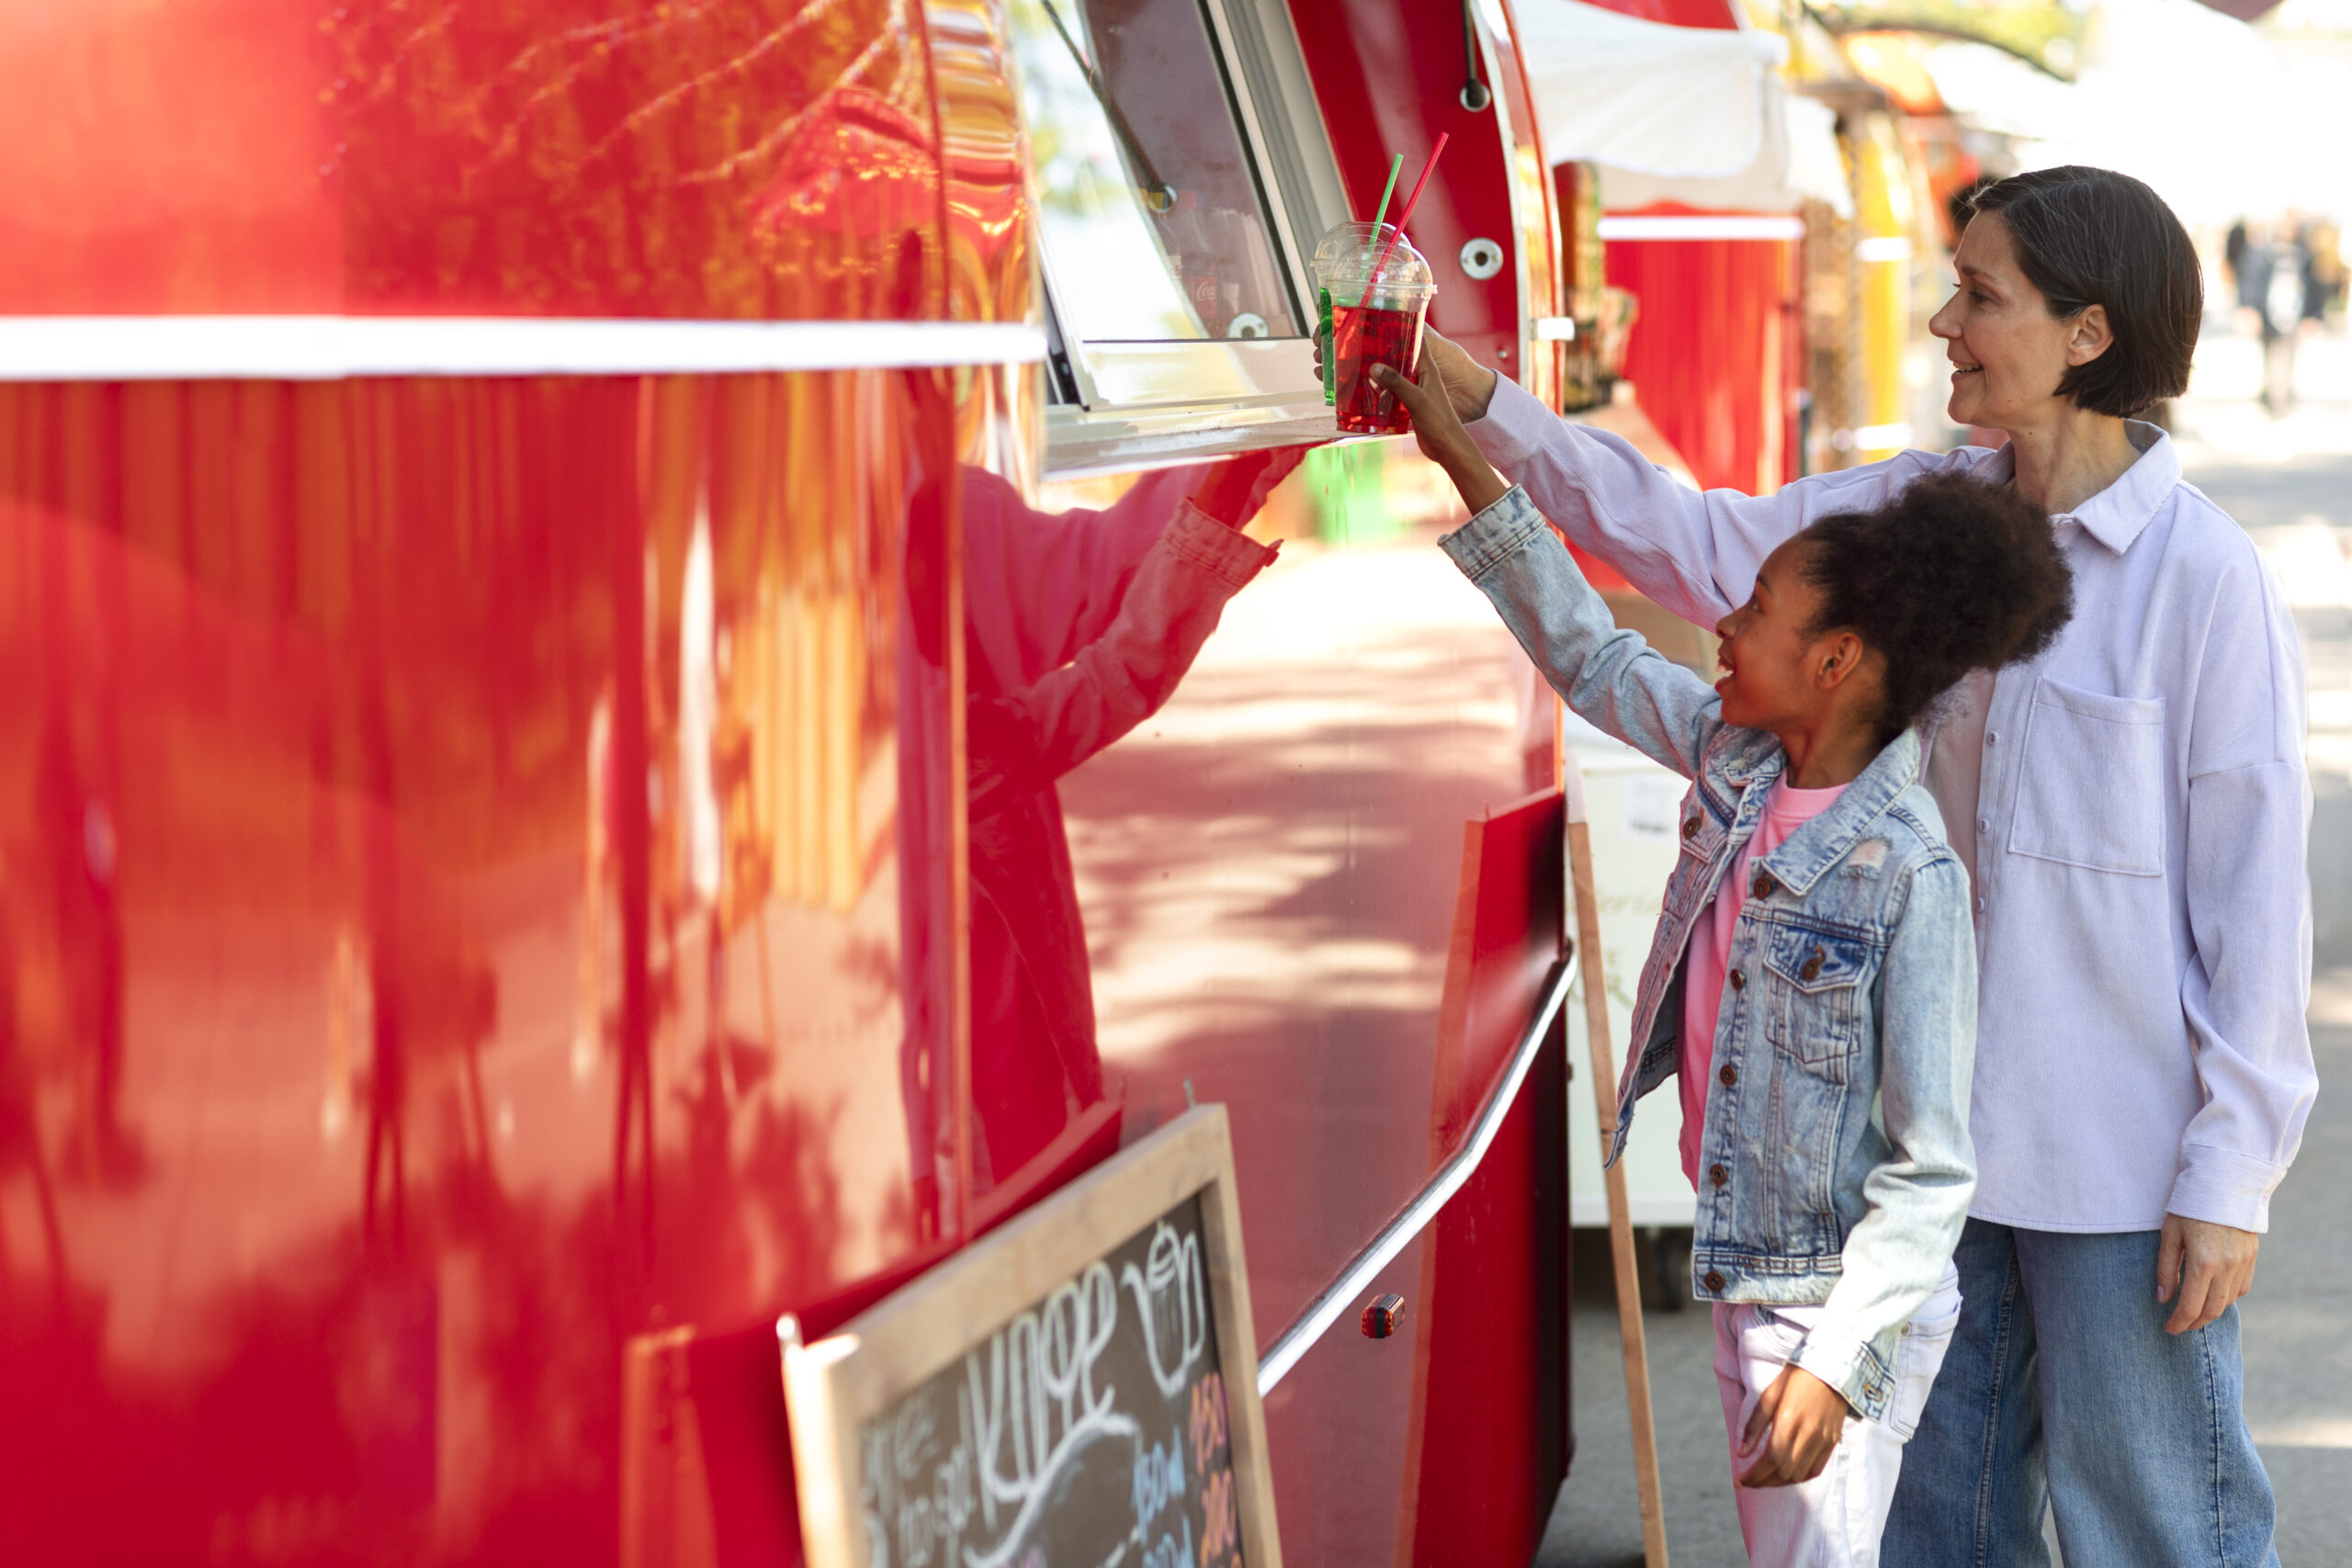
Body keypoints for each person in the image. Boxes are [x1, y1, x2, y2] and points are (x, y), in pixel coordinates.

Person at [1396, 165, 2317, 1568]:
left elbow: (2254, 899)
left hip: (2121, 1174)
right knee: (1939, 1533)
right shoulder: (1915, 515)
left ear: (2088, 332)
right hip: (1912, 1165)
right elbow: (1692, 540)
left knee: (2163, 1532)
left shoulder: (2206, 580)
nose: (1946, 318)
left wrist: (2229, 1174)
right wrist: (1485, 405)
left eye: (1981, 294)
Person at [1388, 324, 2072, 1559]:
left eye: (1753, 609)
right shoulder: (1739, 761)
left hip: (1827, 1314)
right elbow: (1593, 656)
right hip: (1752, 1272)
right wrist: (1465, 466)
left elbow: (1929, 1174)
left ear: (1835, 661)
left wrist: (1835, 1366)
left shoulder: (1905, 869)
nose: (1722, 626)